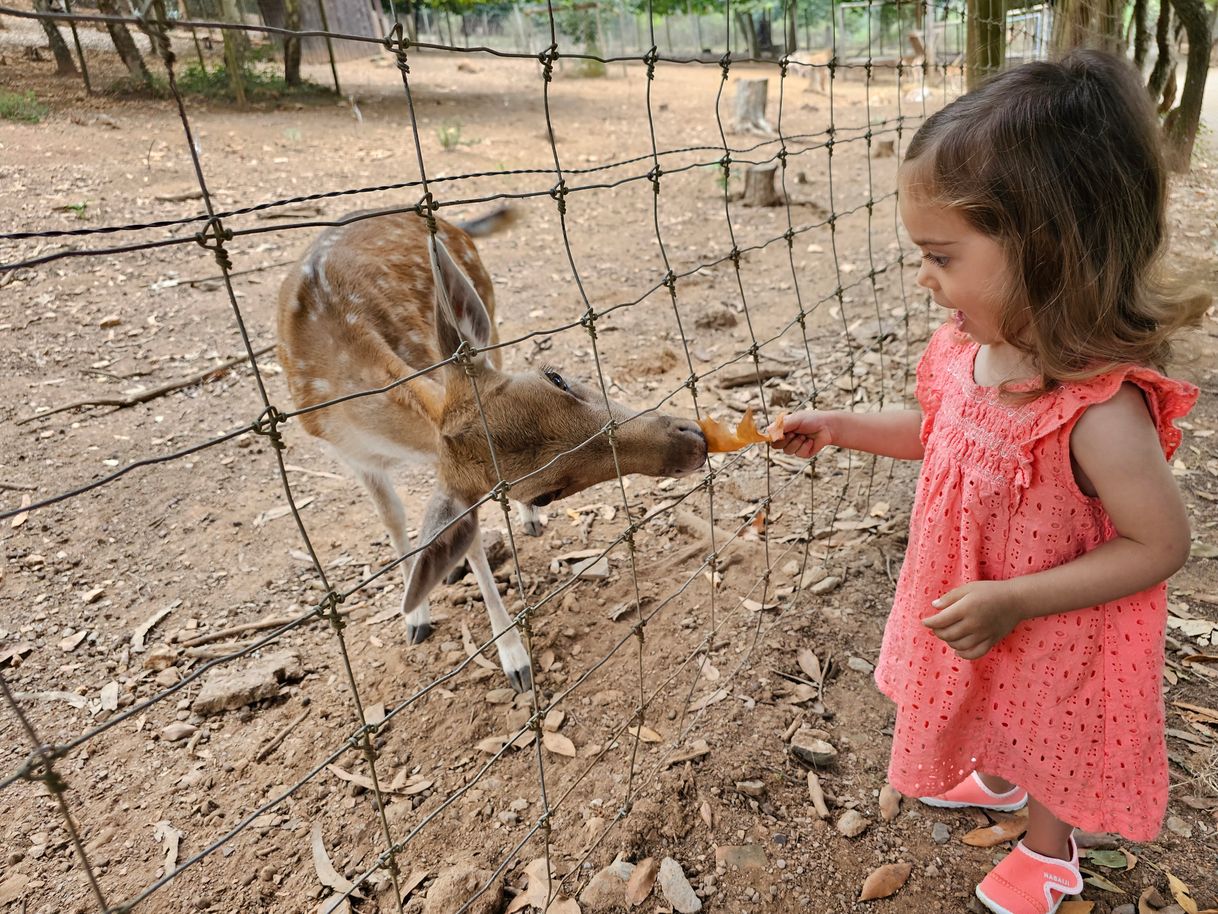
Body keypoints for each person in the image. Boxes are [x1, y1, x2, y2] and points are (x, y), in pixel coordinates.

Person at [771, 50, 1208, 914]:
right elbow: (947, 438)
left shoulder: (1100, 411)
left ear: (1048, 248)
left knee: (1056, 717)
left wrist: (1018, 600)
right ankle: (1000, 781)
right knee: (999, 691)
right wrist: (846, 427)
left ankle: (1051, 853)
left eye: (940, 256)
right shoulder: (974, 352)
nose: (926, 280)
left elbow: (1163, 543)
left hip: (1062, 617)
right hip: (989, 593)